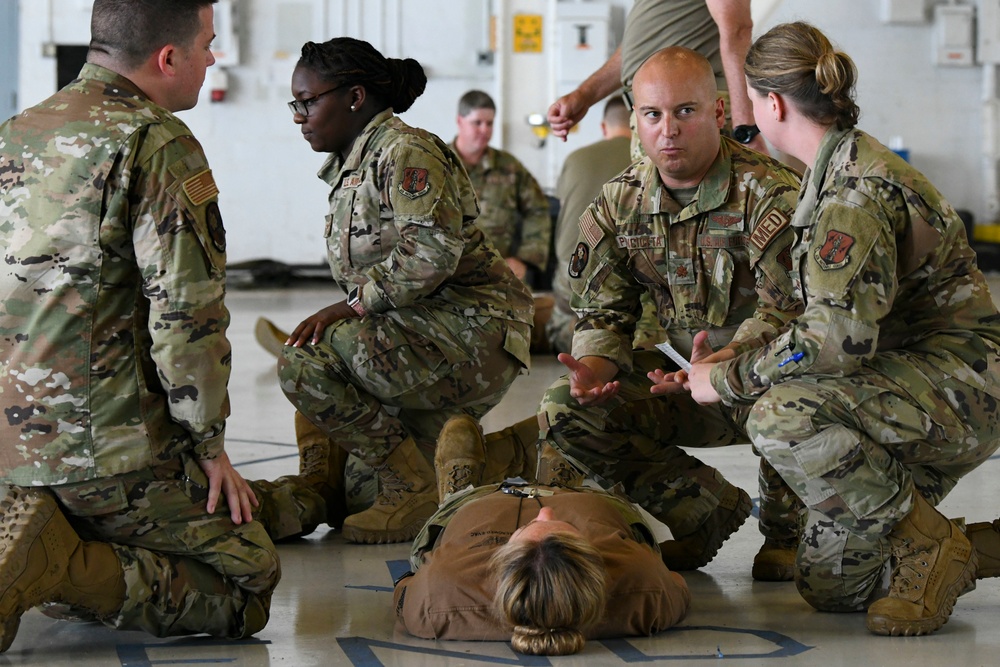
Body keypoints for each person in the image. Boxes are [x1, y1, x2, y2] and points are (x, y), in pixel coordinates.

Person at [686, 21, 1000, 636]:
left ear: (772, 103)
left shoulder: (852, 197)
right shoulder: (836, 170)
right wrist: (729, 357)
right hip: (909, 386)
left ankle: (929, 549)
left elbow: (834, 342)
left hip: (962, 387)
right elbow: (812, 315)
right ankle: (969, 547)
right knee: (832, 585)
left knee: (778, 413)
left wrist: (730, 382)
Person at [0, 0, 280, 652]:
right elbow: (187, 320)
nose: (212, 58)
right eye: (208, 44)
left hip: (9, 443)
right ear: (169, 57)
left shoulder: (16, 132)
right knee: (248, 576)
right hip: (100, 451)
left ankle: (45, 535)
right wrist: (208, 447)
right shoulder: (156, 144)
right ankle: (60, 564)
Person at [537, 47, 806, 579]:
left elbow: (792, 315)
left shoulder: (769, 195)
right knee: (565, 409)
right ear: (636, 120)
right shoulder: (618, 204)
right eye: (653, 114)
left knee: (800, 380)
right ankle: (705, 509)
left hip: (756, 381)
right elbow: (602, 312)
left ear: (719, 113)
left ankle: (786, 529)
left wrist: (722, 361)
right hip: (670, 382)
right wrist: (596, 369)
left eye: (686, 111)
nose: (669, 131)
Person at [276, 38, 534, 545]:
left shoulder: (405, 152)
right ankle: (511, 450)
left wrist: (349, 307)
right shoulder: (356, 164)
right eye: (296, 104)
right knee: (357, 495)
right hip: (425, 335)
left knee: (303, 362)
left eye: (308, 102)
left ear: (354, 97)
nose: (299, 117)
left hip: (472, 333)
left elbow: (431, 255)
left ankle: (410, 485)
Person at [392, 481, 691, 655]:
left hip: (482, 500)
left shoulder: (438, 597)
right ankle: (559, 475)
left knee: (447, 526)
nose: (545, 513)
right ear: (595, 561)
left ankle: (461, 484)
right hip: (583, 498)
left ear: (498, 562)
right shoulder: (644, 583)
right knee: (591, 503)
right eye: (570, 532)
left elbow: (404, 586)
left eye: (529, 528)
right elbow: (677, 582)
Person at [546, 0, 767, 156]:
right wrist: (584, 95)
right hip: (656, 112)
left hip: (690, 109)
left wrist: (745, 129)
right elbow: (642, 48)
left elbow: (737, 29)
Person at [547, 95, 633, 354]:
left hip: (570, 270)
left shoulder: (576, 158)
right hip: (626, 271)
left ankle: (569, 337)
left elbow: (563, 210)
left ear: (604, 127)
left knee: (563, 323)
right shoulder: (647, 161)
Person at [451, 90, 553, 289]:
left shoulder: (510, 167)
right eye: (477, 123)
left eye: (490, 123)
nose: (485, 130)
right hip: (450, 277)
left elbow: (538, 209)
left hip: (499, 275)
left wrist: (525, 258)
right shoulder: (440, 165)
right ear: (460, 121)